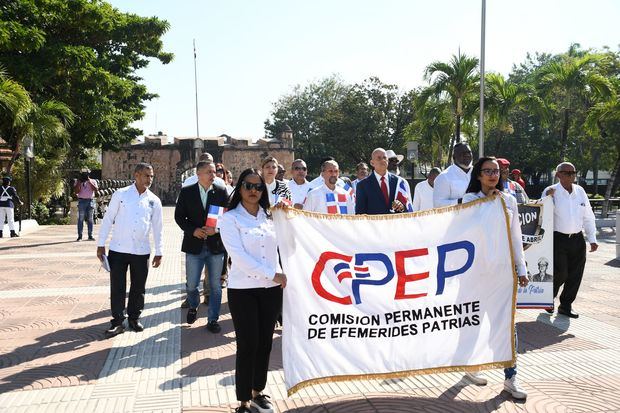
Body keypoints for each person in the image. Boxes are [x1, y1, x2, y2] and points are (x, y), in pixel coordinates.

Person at [219, 168, 287, 413]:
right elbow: (238, 256)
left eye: (258, 187)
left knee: (265, 343)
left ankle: (258, 391)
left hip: (270, 290)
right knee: (248, 344)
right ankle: (243, 400)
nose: (253, 191)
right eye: (248, 186)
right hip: (243, 289)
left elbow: (285, 245)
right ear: (240, 188)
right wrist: (273, 274)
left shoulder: (271, 217)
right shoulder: (229, 218)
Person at [462, 156, 529, 400]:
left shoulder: (509, 200)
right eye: (487, 171)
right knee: (474, 320)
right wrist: (489, 203)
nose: (493, 175)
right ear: (478, 175)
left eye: (497, 171)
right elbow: (466, 232)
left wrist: (521, 268)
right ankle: (470, 366)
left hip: (503, 272)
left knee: (506, 324)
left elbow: (516, 236)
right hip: (476, 273)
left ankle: (511, 377)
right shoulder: (469, 201)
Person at [96, 163, 163, 338]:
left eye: (151, 176)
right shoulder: (121, 194)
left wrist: (159, 251)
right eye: (146, 175)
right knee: (117, 286)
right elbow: (108, 219)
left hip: (141, 251)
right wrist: (101, 244)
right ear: (136, 175)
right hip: (118, 249)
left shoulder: (154, 200)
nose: (149, 179)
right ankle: (118, 321)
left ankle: (134, 318)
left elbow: (158, 228)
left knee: (138, 287)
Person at [175, 161, 228, 331]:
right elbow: (179, 217)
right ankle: (193, 305)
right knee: (191, 284)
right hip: (194, 245)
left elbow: (227, 216)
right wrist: (193, 230)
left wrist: (216, 229)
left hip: (215, 246)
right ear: (198, 174)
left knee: (215, 286)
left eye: (214, 172)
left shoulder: (221, 191)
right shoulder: (187, 192)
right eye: (209, 172)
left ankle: (213, 319)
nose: (213, 175)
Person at [543, 162, 597, 319]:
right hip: (558, 238)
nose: (571, 175)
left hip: (577, 238)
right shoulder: (550, 191)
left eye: (573, 172)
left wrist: (592, 238)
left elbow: (588, 216)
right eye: (567, 172)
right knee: (561, 272)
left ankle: (566, 305)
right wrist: (548, 198)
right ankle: (548, 299)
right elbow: (543, 214)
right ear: (558, 175)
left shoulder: (580, 191)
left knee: (575, 274)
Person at [355, 148, 408, 215]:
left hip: (394, 224)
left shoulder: (398, 181)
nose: (382, 160)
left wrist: (401, 207)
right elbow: (360, 214)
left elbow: (407, 208)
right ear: (372, 163)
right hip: (373, 224)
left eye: (385, 157)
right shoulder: (362, 185)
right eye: (379, 158)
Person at [433, 143, 473, 207]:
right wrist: (461, 201)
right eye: (463, 153)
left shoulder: (479, 172)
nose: (467, 155)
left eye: (469, 152)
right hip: (458, 216)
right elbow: (438, 204)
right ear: (454, 157)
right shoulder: (444, 177)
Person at [74, 168, 98, 241]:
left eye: (86, 174)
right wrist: (79, 182)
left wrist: (89, 181)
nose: (84, 176)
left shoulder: (93, 181)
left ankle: (90, 235)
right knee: (80, 219)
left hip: (90, 200)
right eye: (83, 174)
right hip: (81, 201)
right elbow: (76, 191)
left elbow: (96, 189)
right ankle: (80, 236)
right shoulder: (78, 181)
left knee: (90, 219)